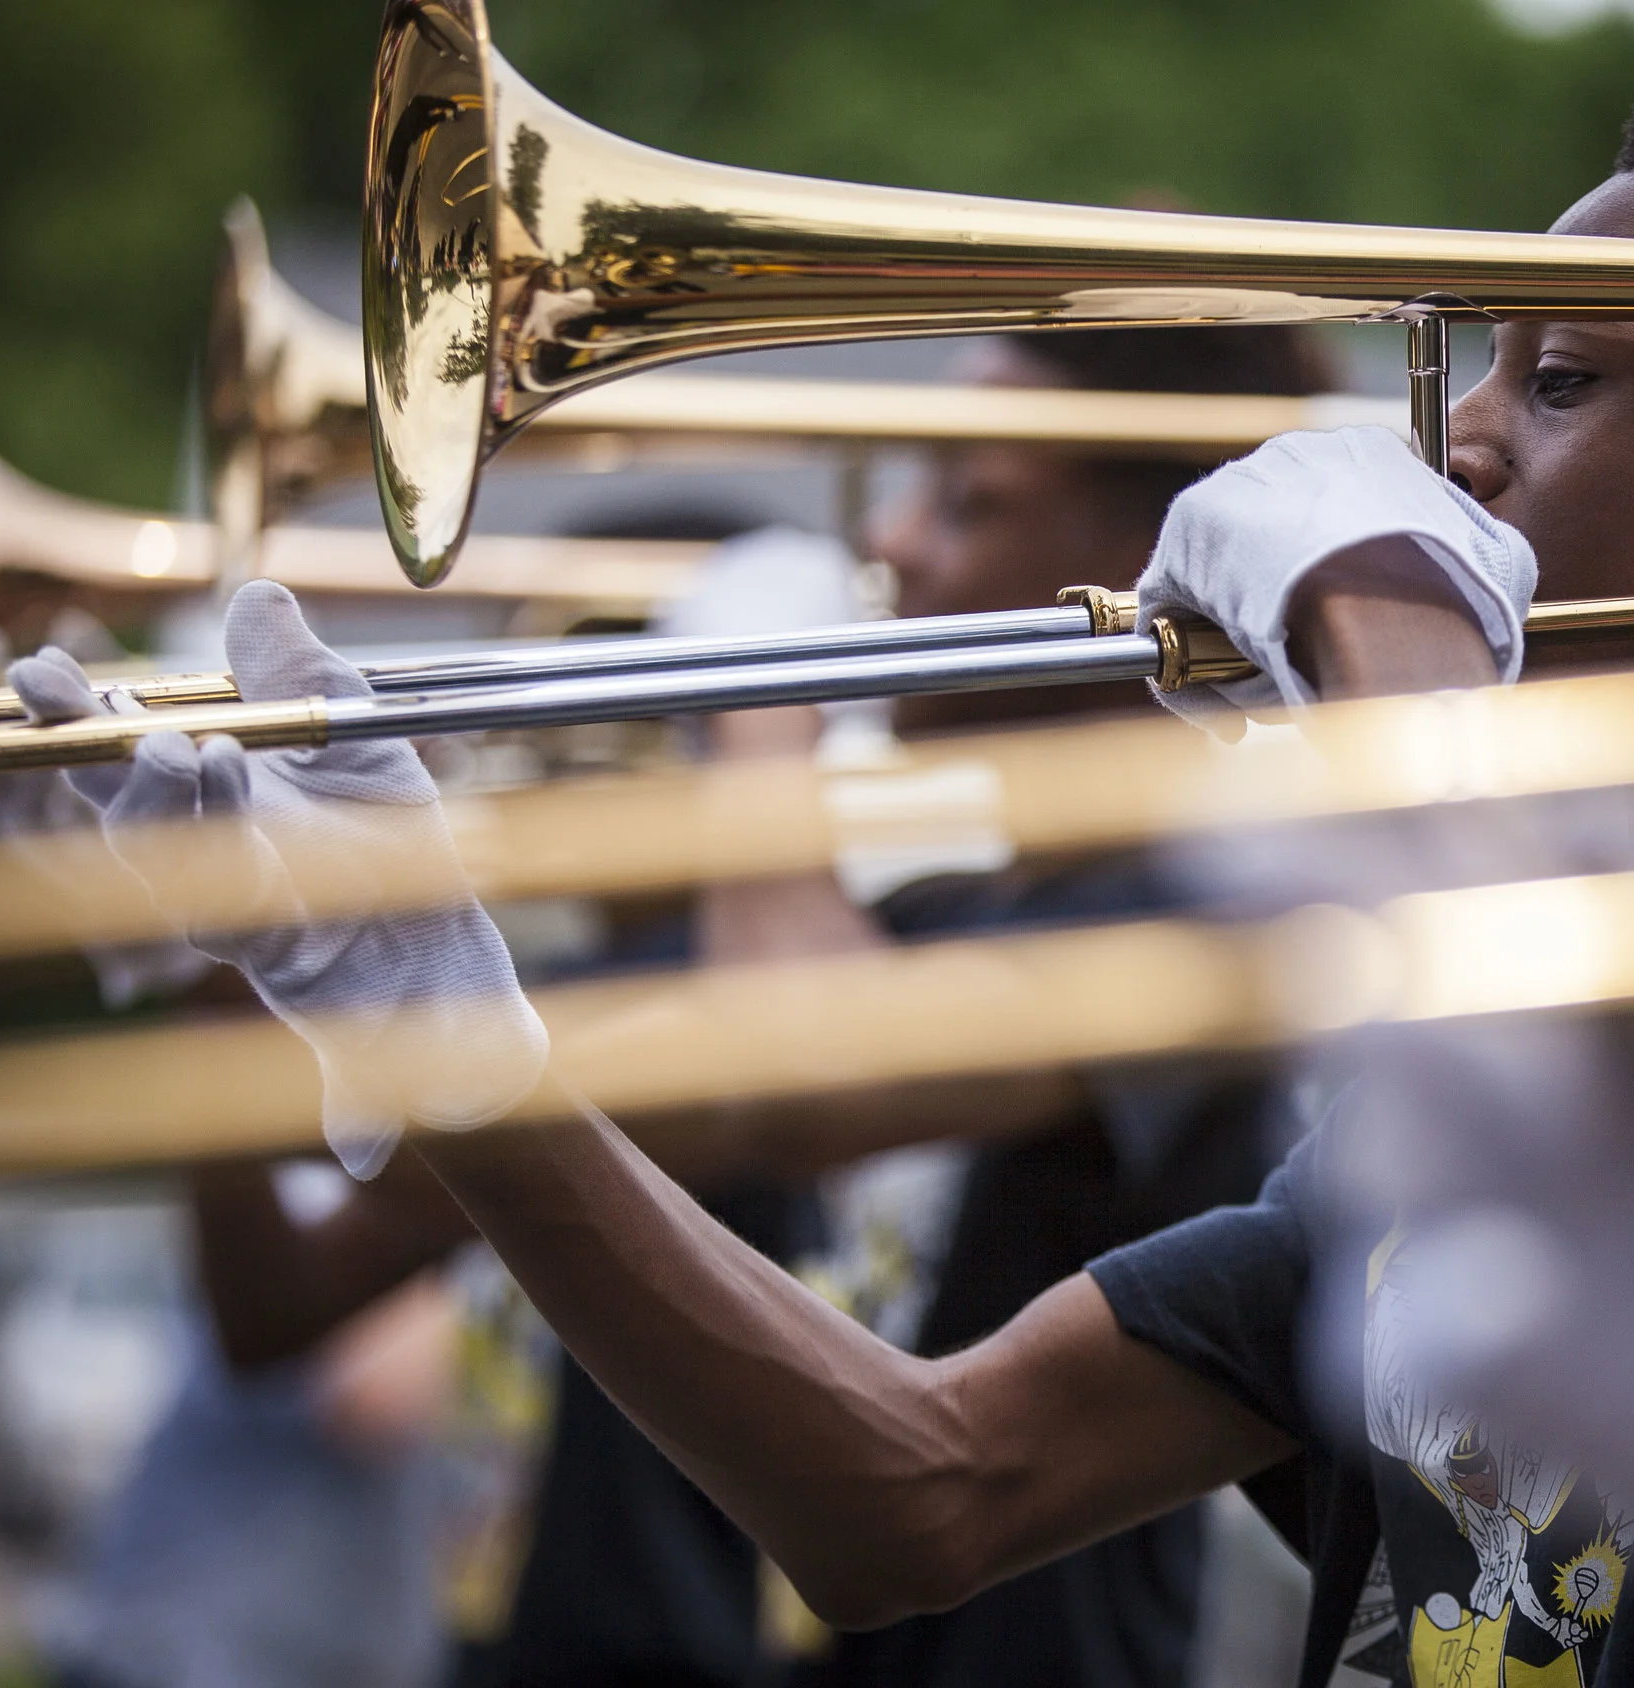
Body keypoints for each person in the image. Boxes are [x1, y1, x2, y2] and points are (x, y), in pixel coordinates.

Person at [15, 58, 1634, 1688]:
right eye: (1467, 386)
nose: (1459, 439)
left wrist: (1377, 601)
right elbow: (912, 1490)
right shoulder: (1458, 1085)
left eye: (1558, 381)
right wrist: (431, 1006)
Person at [150, 325, 1338, 1688]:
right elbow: (313, 1259)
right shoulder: (916, 922)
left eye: (964, 498)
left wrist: (758, 723)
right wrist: (217, 956)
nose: (890, 541)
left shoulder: (1218, 920)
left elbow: (801, 1077)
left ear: (1152, 562)